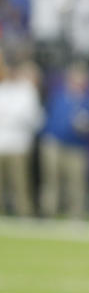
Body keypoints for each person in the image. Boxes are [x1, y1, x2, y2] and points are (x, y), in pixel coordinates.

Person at [39, 61, 89, 219]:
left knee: (76, 184)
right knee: (51, 181)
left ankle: (75, 215)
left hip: (77, 147)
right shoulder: (58, 96)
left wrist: (86, 126)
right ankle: (48, 213)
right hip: (54, 144)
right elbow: (47, 119)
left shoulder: (88, 102)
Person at [0, 54, 44, 216]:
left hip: (19, 144)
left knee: (20, 184)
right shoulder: (2, 88)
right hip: (1, 143)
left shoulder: (26, 90)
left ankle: (24, 214)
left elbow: (31, 117)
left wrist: (10, 118)